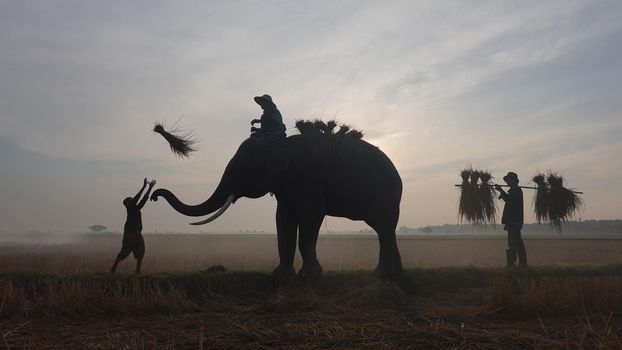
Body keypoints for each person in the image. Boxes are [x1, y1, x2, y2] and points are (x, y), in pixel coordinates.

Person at [111, 178, 155, 274]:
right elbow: (139, 197)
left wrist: (150, 188)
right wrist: (144, 187)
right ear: (127, 204)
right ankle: (114, 267)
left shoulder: (136, 208)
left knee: (141, 250)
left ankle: (137, 270)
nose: (132, 199)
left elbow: (143, 199)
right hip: (130, 233)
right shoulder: (130, 207)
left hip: (137, 232)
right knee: (125, 251)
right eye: (131, 199)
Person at [495, 172, 526, 267]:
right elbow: (509, 199)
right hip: (513, 222)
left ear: (513, 181)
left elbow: (510, 200)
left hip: (514, 222)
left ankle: (511, 264)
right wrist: (503, 193)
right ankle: (522, 264)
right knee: (517, 243)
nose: (507, 182)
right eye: (507, 180)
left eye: (509, 180)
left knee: (513, 243)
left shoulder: (516, 191)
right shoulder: (514, 190)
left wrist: (501, 191)